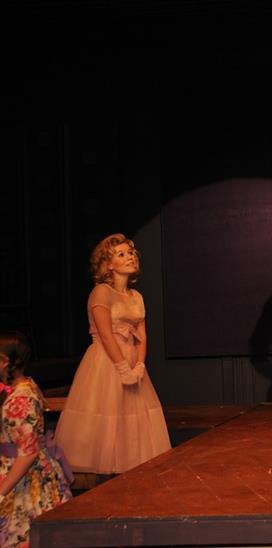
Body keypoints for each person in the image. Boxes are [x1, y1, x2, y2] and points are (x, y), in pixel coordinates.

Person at [54, 234, 171, 474]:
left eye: (131, 253)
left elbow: (142, 336)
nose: (130, 257)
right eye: (121, 254)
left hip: (131, 360)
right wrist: (122, 367)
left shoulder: (136, 296)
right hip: (107, 361)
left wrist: (139, 365)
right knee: (107, 413)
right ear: (108, 264)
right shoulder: (102, 292)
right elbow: (106, 334)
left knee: (133, 417)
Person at [0, 331, 73, 547]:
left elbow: (28, 453)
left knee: (24, 534)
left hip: (23, 477)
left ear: (4, 362)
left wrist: (2, 491)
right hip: (14, 466)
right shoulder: (21, 387)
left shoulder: (22, 397)